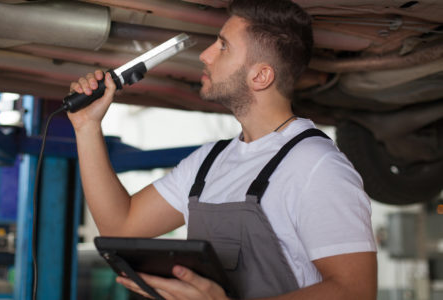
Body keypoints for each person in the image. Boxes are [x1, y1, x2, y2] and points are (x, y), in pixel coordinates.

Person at [67, 0, 377, 299]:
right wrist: (87, 127)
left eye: (223, 45)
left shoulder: (317, 166)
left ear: (261, 76)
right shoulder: (208, 163)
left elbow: (356, 292)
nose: (205, 55)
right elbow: (121, 227)